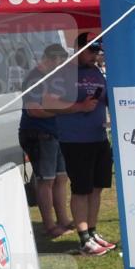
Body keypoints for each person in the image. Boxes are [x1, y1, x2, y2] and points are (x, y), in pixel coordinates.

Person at [18, 44, 95, 238]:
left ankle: (63, 220)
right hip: (39, 134)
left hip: (55, 133)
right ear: (49, 60)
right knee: (46, 181)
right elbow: (34, 110)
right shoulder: (34, 79)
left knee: (61, 178)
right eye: (59, 64)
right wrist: (68, 110)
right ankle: (49, 225)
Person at [57, 32, 116, 256]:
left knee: (97, 187)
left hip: (99, 137)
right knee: (81, 189)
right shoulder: (63, 73)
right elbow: (51, 105)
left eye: (97, 50)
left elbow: (108, 98)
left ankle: (92, 232)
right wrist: (79, 107)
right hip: (74, 140)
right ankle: (83, 238)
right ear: (78, 48)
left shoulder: (96, 72)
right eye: (91, 50)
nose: (95, 55)